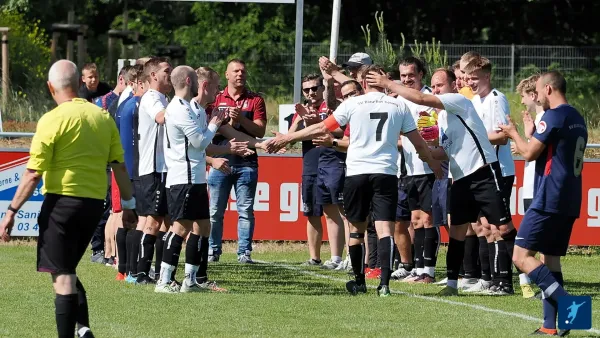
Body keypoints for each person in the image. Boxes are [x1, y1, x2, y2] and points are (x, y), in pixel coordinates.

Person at [266, 65, 442, 297]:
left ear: (364, 83)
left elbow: (320, 127)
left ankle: (359, 281)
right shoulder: (399, 105)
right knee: (385, 229)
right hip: (386, 173)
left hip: (357, 172)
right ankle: (385, 285)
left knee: (356, 230)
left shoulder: (353, 103)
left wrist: (288, 138)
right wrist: (432, 162)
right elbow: (418, 143)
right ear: (383, 80)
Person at [0, 59, 136, 338]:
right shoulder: (102, 117)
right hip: (92, 206)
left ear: (51, 87)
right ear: (78, 84)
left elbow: (33, 174)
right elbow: (119, 167)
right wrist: (130, 206)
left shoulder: (52, 119)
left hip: (61, 204)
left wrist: (12, 210)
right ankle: (83, 329)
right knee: (67, 268)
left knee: (61, 275)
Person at [365, 67, 511, 297]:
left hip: (482, 173)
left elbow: (421, 97)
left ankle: (516, 279)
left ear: (453, 86)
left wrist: (388, 83)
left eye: (439, 85)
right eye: (433, 86)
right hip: (461, 178)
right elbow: (446, 152)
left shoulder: (458, 100)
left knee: (502, 228)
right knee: (457, 232)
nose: (435, 90)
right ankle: (452, 284)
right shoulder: (443, 115)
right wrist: (427, 148)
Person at [499, 70, 587, 336]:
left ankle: (573, 307)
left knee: (521, 256)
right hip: (570, 197)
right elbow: (550, 151)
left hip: (549, 195)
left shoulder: (553, 115)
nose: (536, 96)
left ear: (549, 89)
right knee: (551, 260)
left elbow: (528, 153)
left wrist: (514, 133)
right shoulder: (576, 117)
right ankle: (550, 326)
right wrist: (528, 134)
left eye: (537, 90)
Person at [157, 65, 245, 293]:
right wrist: (215, 123)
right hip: (182, 178)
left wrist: (224, 145)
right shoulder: (178, 108)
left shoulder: (188, 107)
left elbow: (199, 144)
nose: (216, 91)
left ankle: (191, 280)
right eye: (195, 79)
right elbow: (198, 142)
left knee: (203, 226)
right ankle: (164, 280)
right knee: (180, 227)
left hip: (195, 178)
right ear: (189, 81)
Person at [462, 55, 517, 295]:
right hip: (482, 172)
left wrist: (475, 141)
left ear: (487, 76)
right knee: (486, 226)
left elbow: (502, 135)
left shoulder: (496, 99)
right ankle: (493, 280)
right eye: (468, 78)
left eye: (475, 78)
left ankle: (507, 281)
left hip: (499, 171)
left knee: (499, 227)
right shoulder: (475, 100)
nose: (471, 83)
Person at [207, 59, 267, 264]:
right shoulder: (215, 98)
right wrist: (228, 121)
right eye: (235, 71)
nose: (240, 74)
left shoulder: (255, 99)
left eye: (243, 71)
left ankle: (244, 253)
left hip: (247, 163)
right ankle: (213, 250)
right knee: (215, 210)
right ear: (226, 74)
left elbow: (260, 131)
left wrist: (241, 119)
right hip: (220, 160)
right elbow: (209, 129)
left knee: (245, 210)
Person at [135, 57, 173, 284]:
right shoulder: (151, 97)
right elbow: (161, 118)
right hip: (154, 168)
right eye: (167, 71)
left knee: (168, 221)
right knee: (154, 220)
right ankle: (141, 272)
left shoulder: (163, 98)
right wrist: (183, 103)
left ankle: (161, 272)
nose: (170, 74)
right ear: (154, 76)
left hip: (165, 168)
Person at [513, 74, 545, 298]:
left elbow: (532, 153)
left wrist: (519, 139)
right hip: (534, 186)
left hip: (541, 187)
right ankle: (531, 283)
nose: (523, 102)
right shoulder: (545, 119)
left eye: (524, 96)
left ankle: (535, 284)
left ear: (535, 95)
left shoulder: (548, 118)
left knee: (542, 244)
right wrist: (526, 136)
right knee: (541, 243)